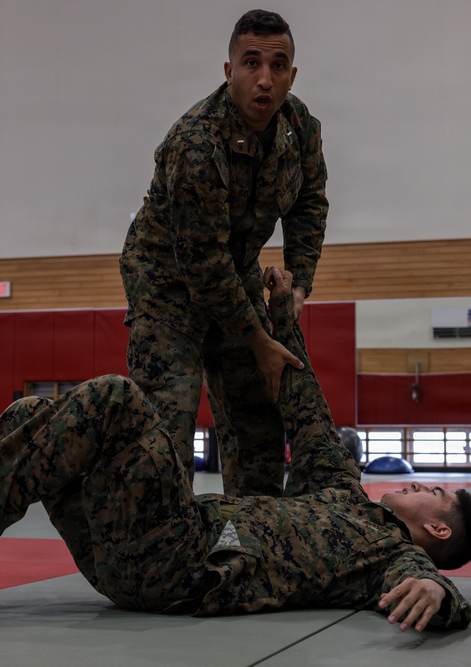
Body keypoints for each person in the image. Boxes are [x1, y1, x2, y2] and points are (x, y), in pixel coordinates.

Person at [0, 268, 471, 634]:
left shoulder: (387, 558)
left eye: (433, 491)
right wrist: (282, 321)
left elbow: (436, 591)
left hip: (182, 561)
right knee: (28, 415)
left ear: (433, 525)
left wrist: (438, 595)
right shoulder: (339, 491)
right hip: (137, 548)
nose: (421, 483)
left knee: (118, 397)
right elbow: (307, 407)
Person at [119, 9, 328, 497]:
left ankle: (250, 544)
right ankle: (163, 555)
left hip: (234, 275)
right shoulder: (197, 143)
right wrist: (260, 339)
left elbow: (310, 202)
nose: (264, 79)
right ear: (228, 70)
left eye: (278, 66)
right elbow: (203, 265)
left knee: (258, 418)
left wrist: (299, 286)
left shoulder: (300, 128)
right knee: (168, 423)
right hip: (167, 286)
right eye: (251, 63)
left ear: (291, 75)